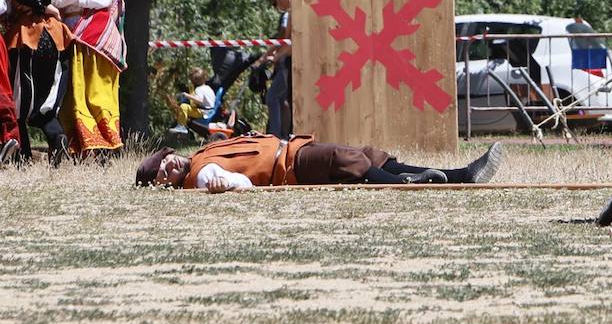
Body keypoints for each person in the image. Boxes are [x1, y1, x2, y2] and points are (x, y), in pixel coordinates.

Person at [136, 136, 505, 191]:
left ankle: (461, 175)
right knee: (342, 160)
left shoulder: (200, 154)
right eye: (164, 173)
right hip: (290, 167)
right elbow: (243, 184)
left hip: (293, 148)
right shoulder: (202, 175)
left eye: (166, 160)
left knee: (369, 156)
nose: (170, 165)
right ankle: (406, 183)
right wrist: (225, 185)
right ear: (164, 184)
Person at [0, 0, 73, 166]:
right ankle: (58, 139)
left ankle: (23, 157)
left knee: (20, 102)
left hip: (26, 37)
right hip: (55, 36)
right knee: (47, 101)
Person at [48, 0, 125, 157]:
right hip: (106, 39)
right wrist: (99, 0)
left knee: (82, 94)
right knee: (101, 93)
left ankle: (90, 146)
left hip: (86, 38)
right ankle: (108, 145)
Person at [262, 0, 292, 138]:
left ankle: (276, 135)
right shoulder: (291, 13)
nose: (277, 1)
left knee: (273, 96)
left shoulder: (289, 14)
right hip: (286, 59)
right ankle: (284, 135)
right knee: (283, 99)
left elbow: (288, 39)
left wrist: (272, 56)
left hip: (288, 61)